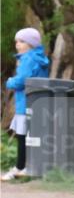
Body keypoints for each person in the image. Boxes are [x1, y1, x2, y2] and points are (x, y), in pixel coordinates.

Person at [2, 28, 50, 181]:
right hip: (38, 102)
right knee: (33, 136)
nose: (17, 44)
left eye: (21, 41)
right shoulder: (40, 58)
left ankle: (21, 167)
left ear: (31, 43)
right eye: (16, 41)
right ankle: (28, 166)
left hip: (26, 104)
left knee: (23, 136)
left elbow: (22, 80)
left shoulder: (28, 59)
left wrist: (10, 81)